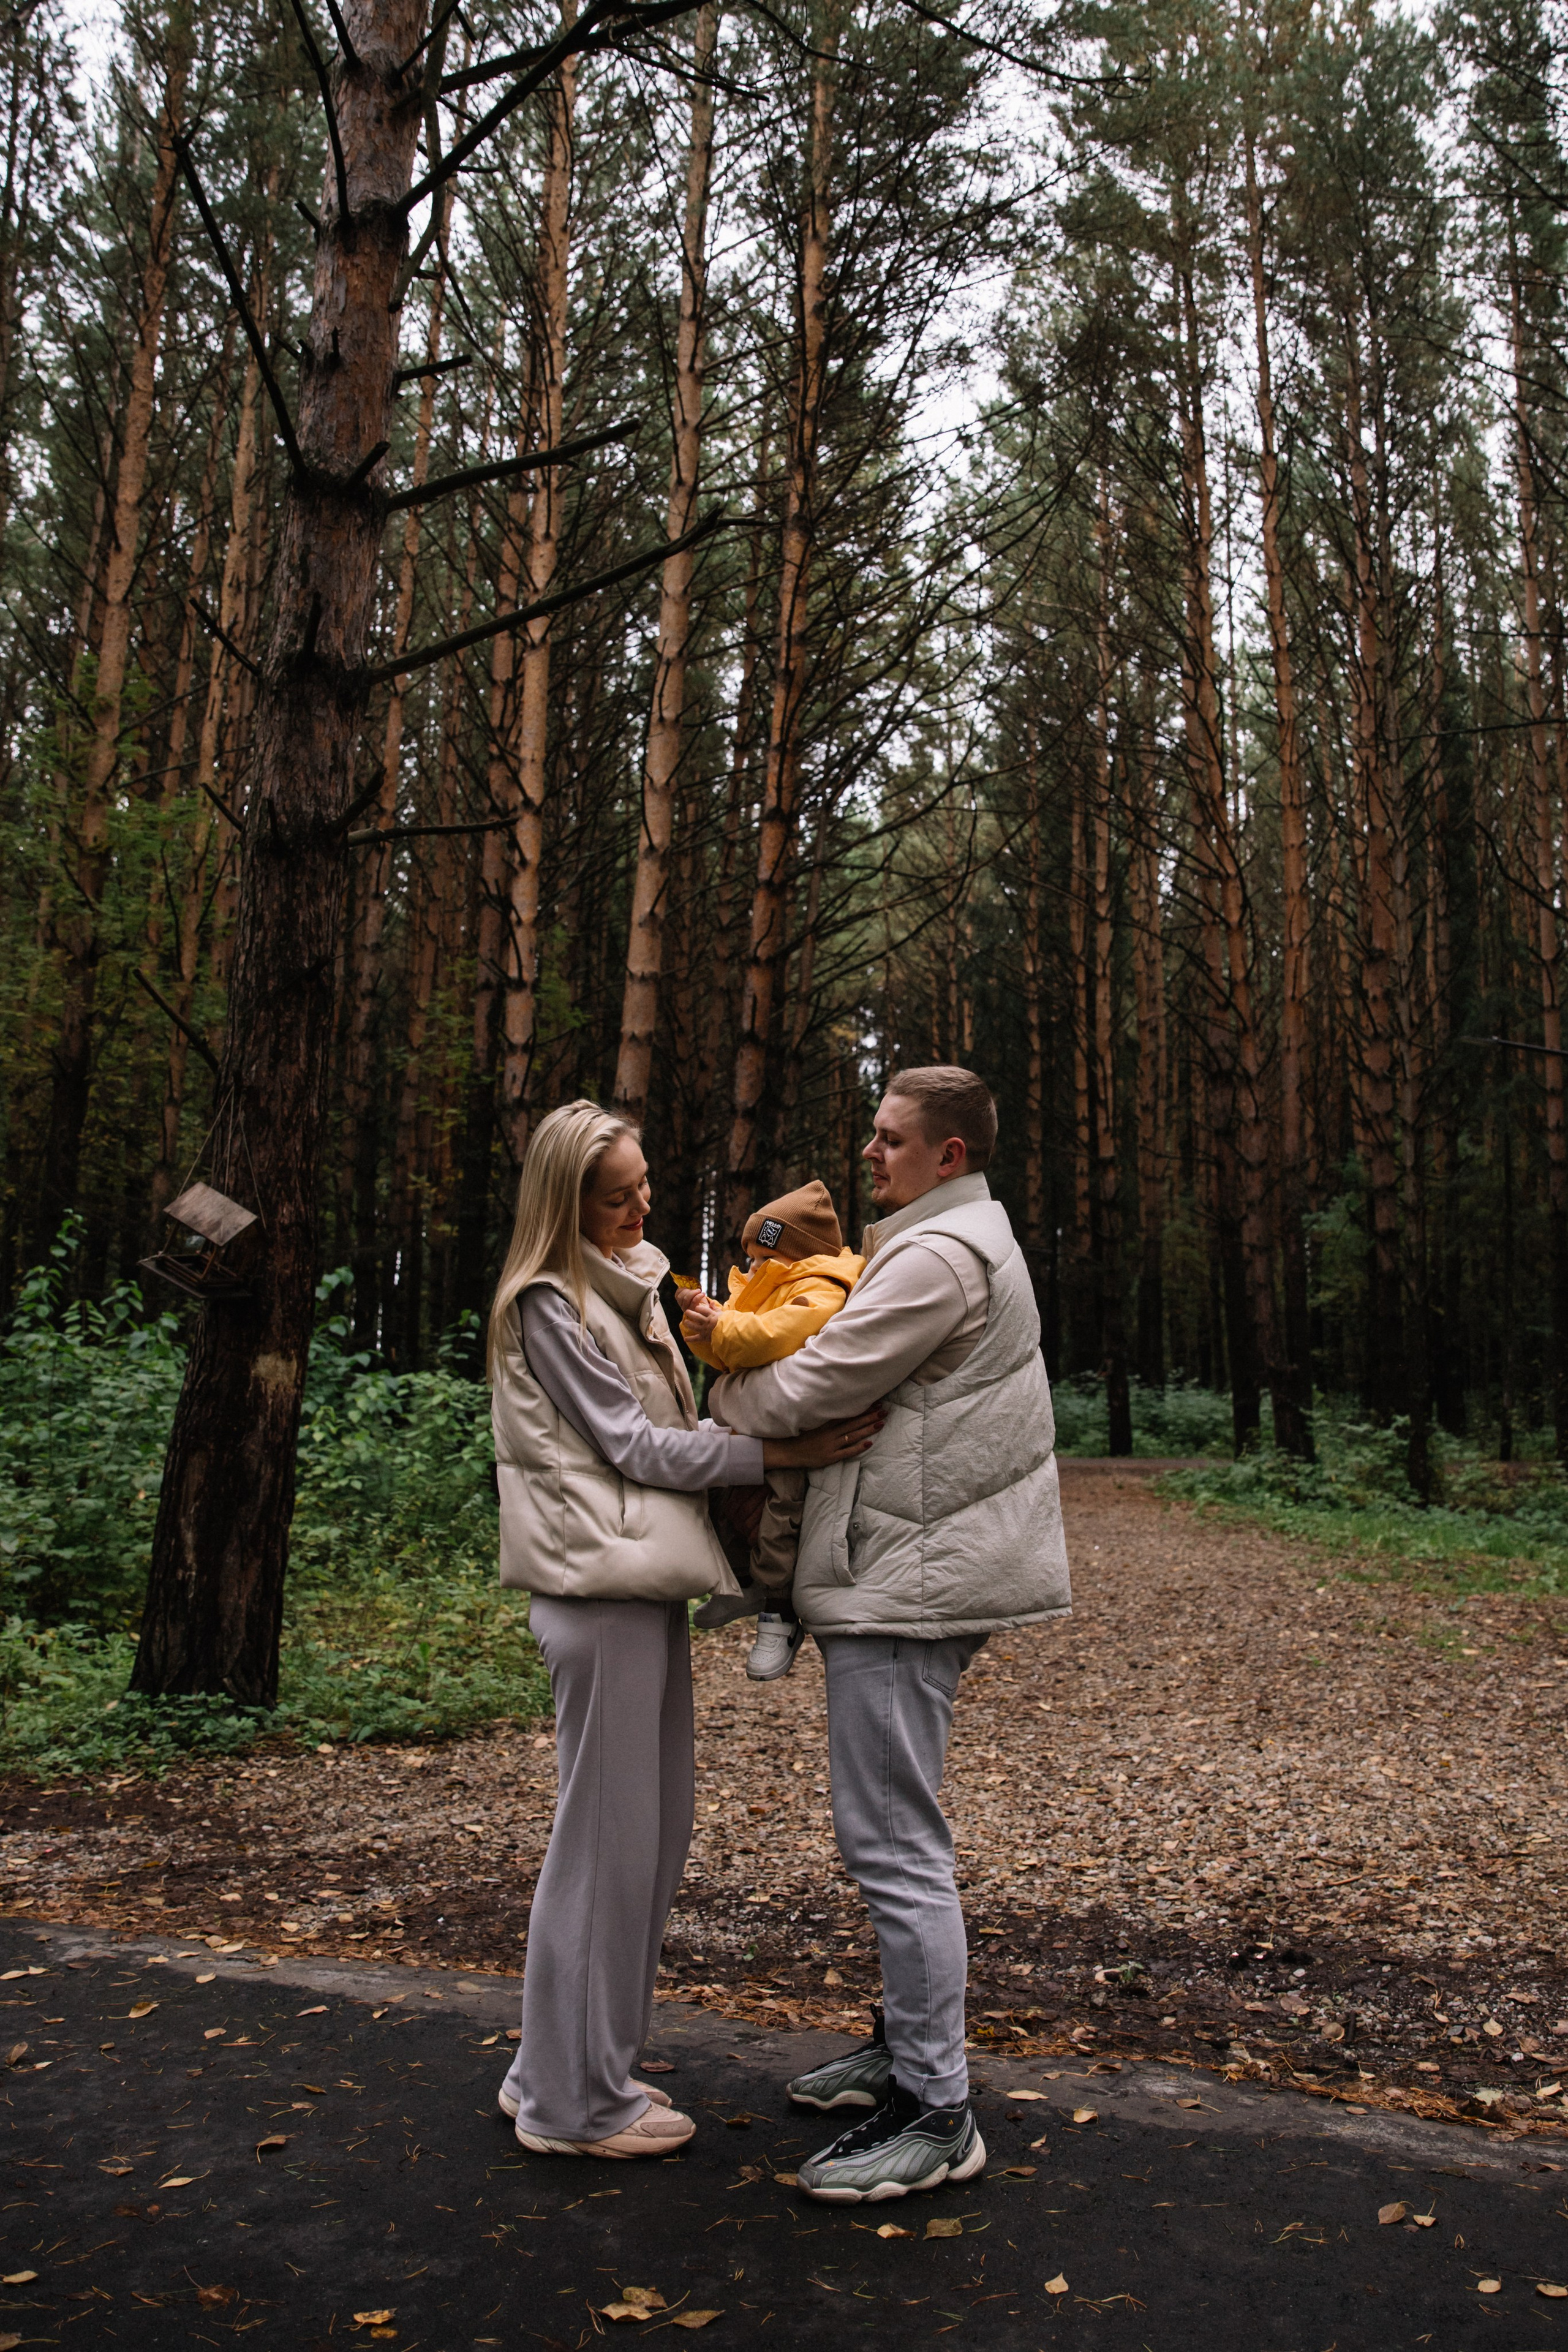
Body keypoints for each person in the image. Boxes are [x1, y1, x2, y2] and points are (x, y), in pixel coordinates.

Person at [487, 1101, 881, 2162]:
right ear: (565, 1204)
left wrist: (764, 1434)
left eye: (644, 1184)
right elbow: (638, 1448)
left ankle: (559, 2072)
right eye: (616, 1195)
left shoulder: (623, 1289)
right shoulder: (549, 1302)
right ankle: (578, 2108)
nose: (640, 1204)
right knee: (609, 1852)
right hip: (596, 1594)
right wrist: (782, 1457)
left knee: (639, 1847)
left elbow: (677, 1428)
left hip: (633, 1589)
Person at [709, 1066, 1071, 2204]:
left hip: (909, 1582)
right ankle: (903, 2049)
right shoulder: (943, 1239)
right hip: (907, 1567)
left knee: (892, 1842)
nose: (869, 1154)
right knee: (889, 1831)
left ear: (947, 1156)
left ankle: (938, 2107)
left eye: (889, 1138)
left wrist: (724, 1407)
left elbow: (807, 1389)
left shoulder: (934, 1259)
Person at [677, 1177, 864, 1683]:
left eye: (763, 1257)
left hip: (800, 1427)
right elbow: (731, 1354)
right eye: (751, 1258)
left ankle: (777, 1612)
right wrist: (705, 1329)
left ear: (796, 1252)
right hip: (766, 1422)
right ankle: (739, 1582)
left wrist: (724, 1328)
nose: (753, 1268)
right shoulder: (772, 1288)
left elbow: (777, 1336)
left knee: (780, 1517)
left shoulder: (822, 1287)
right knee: (722, 1496)